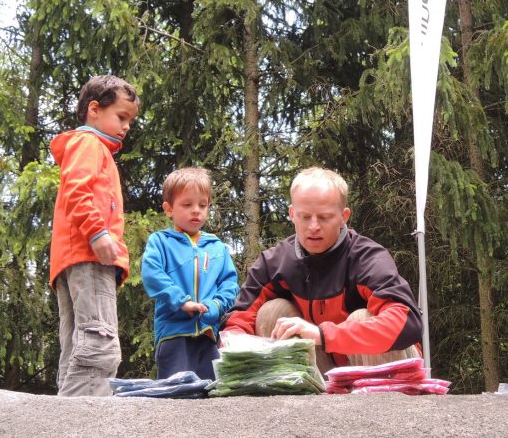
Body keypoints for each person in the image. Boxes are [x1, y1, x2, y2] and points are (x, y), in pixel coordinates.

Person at [222, 167, 422, 373]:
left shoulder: (367, 258)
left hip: (385, 365)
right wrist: (233, 352)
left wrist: (323, 334)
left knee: (362, 318)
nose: (314, 226)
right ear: (292, 214)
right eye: (305, 217)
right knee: (272, 312)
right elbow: (237, 323)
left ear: (344, 216)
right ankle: (288, 393)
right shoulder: (274, 263)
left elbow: (407, 322)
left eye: (324, 217)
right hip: (322, 366)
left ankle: (385, 395)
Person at [49, 74, 140, 396]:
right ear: (94, 109)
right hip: (89, 256)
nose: (126, 127)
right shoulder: (88, 143)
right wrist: (97, 232)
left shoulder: (89, 146)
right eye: (121, 117)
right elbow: (77, 191)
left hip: (76, 257)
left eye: (130, 121)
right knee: (98, 346)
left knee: (78, 345)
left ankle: (66, 414)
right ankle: (87, 416)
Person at [141, 167, 239, 380]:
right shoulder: (160, 242)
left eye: (202, 205)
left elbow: (229, 284)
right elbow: (152, 274)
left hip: (208, 335)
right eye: (187, 205)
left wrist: (216, 306)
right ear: (169, 209)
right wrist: (181, 301)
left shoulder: (217, 247)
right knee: (176, 391)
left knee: (211, 391)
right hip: (173, 334)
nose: (196, 211)